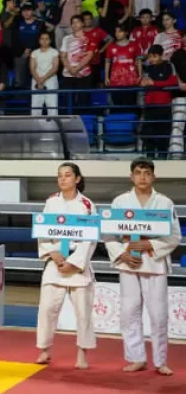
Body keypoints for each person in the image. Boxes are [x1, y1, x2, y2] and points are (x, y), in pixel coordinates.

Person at [105, 158, 180, 375]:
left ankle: (160, 361)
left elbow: (174, 237)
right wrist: (122, 254)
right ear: (132, 176)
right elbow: (109, 234)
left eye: (147, 173)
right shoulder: (120, 201)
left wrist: (149, 243)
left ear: (153, 176)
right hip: (129, 262)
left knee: (158, 314)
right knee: (129, 312)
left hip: (154, 262)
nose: (142, 177)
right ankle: (136, 357)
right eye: (138, 172)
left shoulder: (164, 203)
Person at [35, 163, 97, 369]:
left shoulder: (87, 205)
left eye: (68, 175)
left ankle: (82, 353)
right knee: (47, 309)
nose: (63, 179)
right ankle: (44, 350)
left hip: (77, 264)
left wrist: (74, 262)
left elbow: (90, 239)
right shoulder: (51, 202)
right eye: (59, 176)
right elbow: (42, 230)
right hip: (54, 261)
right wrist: (51, 252)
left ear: (77, 179)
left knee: (83, 312)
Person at [29, 31, 61, 115]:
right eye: (42, 39)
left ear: (50, 40)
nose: (44, 41)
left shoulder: (54, 52)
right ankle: (35, 127)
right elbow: (32, 68)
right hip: (36, 80)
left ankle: (53, 127)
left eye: (47, 39)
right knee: (36, 106)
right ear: (39, 40)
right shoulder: (34, 53)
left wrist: (43, 79)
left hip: (50, 80)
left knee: (52, 106)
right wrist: (39, 81)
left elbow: (55, 68)